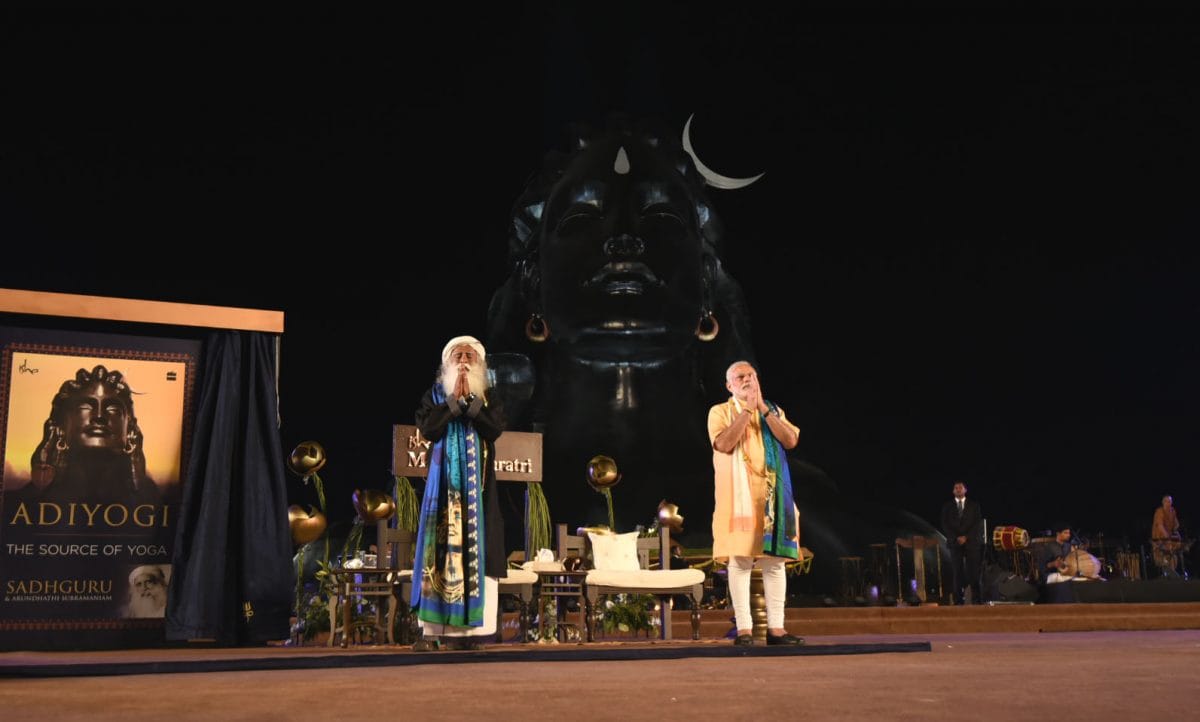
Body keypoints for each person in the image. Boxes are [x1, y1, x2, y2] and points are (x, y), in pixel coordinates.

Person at [411, 336, 507, 650]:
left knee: (480, 555)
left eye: (470, 355)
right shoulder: (434, 396)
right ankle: (433, 632)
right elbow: (430, 429)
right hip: (443, 499)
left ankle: (474, 635)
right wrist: (453, 402)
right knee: (438, 557)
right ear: (447, 363)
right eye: (458, 355)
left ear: (480, 364)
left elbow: (494, 430)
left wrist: (472, 404)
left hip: (479, 497)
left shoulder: (489, 398)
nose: (464, 360)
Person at [709, 360, 803, 646]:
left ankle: (777, 629)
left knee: (774, 563)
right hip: (739, 500)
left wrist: (762, 409)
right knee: (740, 561)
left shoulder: (772, 410)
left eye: (751, 375)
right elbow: (724, 444)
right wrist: (747, 410)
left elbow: (790, 440)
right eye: (740, 376)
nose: (747, 379)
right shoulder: (720, 411)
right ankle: (745, 630)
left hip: (772, 497)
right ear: (729, 386)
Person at [28, 365, 157, 505]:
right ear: (61, 426)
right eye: (85, 407)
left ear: (130, 428)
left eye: (113, 408)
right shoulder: (20, 502)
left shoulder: (153, 500)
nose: (99, 416)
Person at [940, 481, 983, 604]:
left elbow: (977, 524)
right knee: (957, 573)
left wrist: (966, 537)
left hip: (971, 543)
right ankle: (958, 601)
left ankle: (976, 601)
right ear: (953, 491)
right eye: (955, 488)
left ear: (965, 490)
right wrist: (956, 538)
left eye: (960, 487)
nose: (958, 489)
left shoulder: (974, 506)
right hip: (955, 543)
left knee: (974, 573)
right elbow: (945, 524)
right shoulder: (947, 507)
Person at [1151, 495, 1182, 576]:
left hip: (1168, 541)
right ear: (1163, 502)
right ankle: (1167, 574)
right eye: (1167, 501)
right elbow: (1160, 526)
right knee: (1163, 557)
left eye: (1170, 501)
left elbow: (1176, 525)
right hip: (1159, 540)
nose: (1169, 503)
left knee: (1174, 556)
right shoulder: (1159, 511)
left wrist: (1176, 532)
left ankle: (1171, 575)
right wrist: (1168, 537)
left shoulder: (1172, 511)